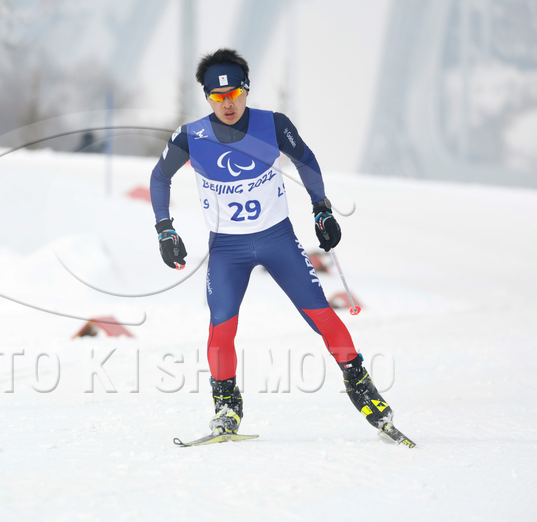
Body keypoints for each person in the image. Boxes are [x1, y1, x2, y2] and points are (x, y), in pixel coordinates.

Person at [150, 48, 401, 438]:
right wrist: (165, 228)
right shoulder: (191, 136)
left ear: (247, 89)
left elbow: (306, 160)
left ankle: (362, 389)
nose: (228, 103)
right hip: (227, 250)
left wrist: (322, 209)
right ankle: (227, 407)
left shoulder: (273, 124)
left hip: (277, 240)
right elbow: (159, 177)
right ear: (207, 97)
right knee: (221, 327)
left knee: (322, 316)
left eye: (234, 93)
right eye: (218, 96)